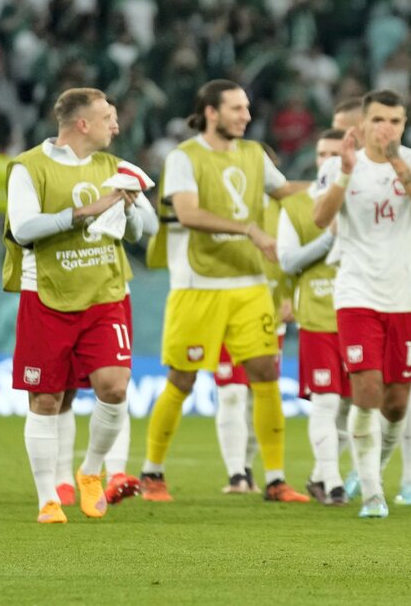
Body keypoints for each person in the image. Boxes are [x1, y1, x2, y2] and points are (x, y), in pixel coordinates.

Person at [140, 79, 310, 503]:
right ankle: (152, 473)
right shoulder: (184, 157)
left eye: (247, 108)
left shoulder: (253, 154)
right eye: (237, 108)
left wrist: (337, 184)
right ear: (211, 112)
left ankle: (275, 479)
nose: (246, 116)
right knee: (182, 378)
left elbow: (285, 190)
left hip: (249, 286)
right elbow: (188, 213)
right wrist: (248, 228)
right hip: (198, 286)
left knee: (266, 375)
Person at [5, 87, 149, 522]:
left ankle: (90, 471)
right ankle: (48, 498)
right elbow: (24, 229)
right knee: (47, 400)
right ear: (82, 124)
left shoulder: (115, 168)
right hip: (47, 295)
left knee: (115, 389)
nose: (116, 126)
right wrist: (86, 211)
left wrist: (127, 209)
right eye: (108, 118)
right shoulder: (28, 167)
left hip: (106, 294)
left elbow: (145, 229)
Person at [313, 89, 411, 518]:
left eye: (395, 121)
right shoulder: (338, 165)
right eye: (378, 120)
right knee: (367, 389)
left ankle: (374, 468)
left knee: (396, 403)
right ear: (362, 124)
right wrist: (344, 174)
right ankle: (372, 492)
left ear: (404, 125)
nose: (387, 128)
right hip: (358, 292)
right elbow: (320, 218)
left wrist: (397, 162)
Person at [213, 143, 296, 495]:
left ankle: (247, 467)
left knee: (256, 394)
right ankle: (236, 474)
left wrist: (291, 294)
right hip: (227, 309)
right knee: (231, 392)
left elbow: (297, 252)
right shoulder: (223, 203)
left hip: (270, 312)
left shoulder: (285, 208)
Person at [279, 129, 349, 505]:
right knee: (326, 401)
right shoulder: (295, 207)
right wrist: (329, 238)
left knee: (355, 408)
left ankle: (321, 475)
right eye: (323, 154)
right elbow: (288, 261)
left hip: (360, 314)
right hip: (318, 317)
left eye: (337, 154)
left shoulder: (363, 200)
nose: (328, 160)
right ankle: (333, 483)